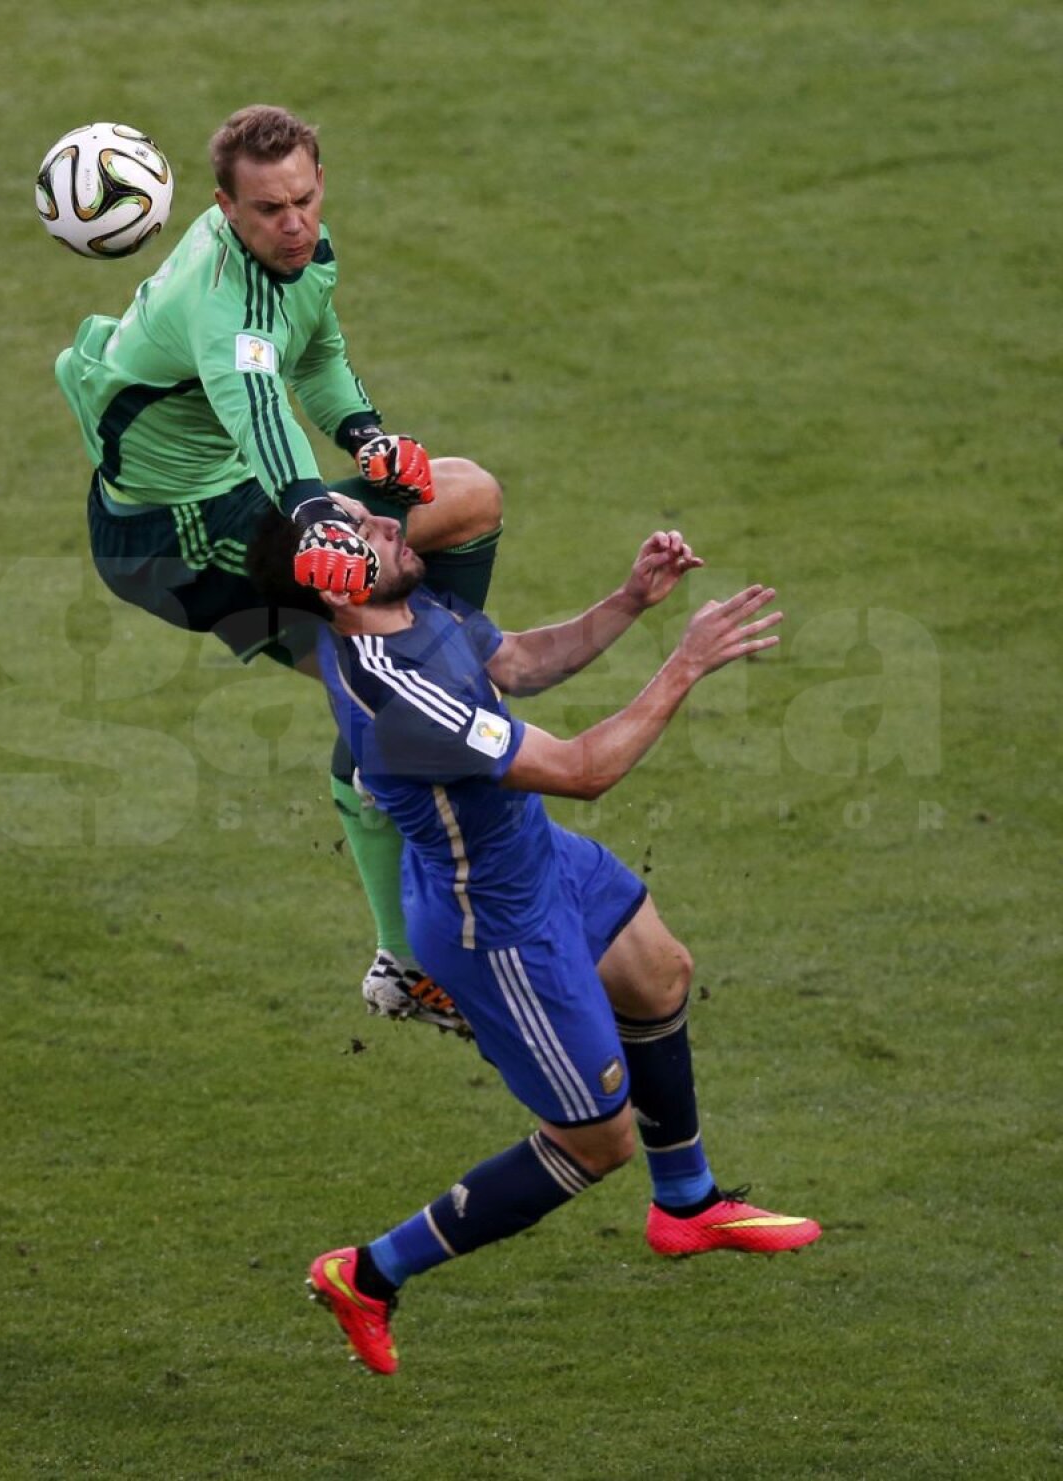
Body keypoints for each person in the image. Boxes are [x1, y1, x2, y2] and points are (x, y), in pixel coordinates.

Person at [247, 505, 822, 1376]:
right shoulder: (400, 701)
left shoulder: (418, 605)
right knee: (596, 1139)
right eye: (364, 528)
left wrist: (629, 601)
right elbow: (585, 770)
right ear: (336, 577)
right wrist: (686, 662)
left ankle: (687, 1203)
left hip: (535, 855)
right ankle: (367, 1272)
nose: (391, 520)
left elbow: (516, 660)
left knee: (659, 974)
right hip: (498, 926)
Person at [53, 105, 502, 1027]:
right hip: (180, 535)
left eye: (303, 199)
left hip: (240, 495)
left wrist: (367, 438)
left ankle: (454, 678)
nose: (292, 223)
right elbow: (257, 404)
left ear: (320, 184)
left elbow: (317, 353)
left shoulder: (304, 251)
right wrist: (313, 513)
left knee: (467, 499)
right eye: (267, 211)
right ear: (224, 206)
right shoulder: (224, 308)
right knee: (392, 670)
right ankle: (409, 943)